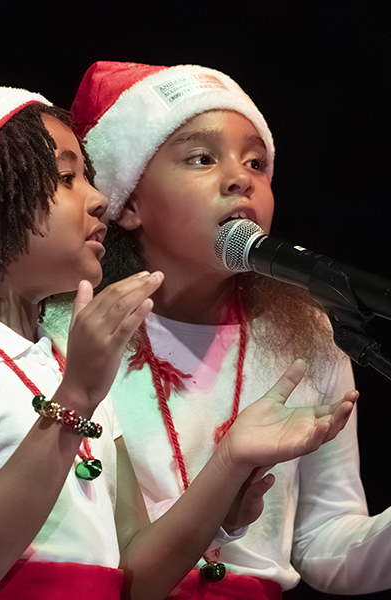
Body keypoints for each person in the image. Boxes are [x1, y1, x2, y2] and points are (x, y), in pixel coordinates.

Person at [0, 82, 356, 600]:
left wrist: (230, 461)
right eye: (67, 178)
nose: (98, 200)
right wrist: (76, 395)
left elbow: (139, 582)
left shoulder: (61, 367)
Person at [66, 60, 391, 598]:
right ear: (129, 203)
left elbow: (325, 540)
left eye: (257, 163)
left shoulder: (310, 333)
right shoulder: (74, 328)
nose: (242, 177)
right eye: (201, 158)